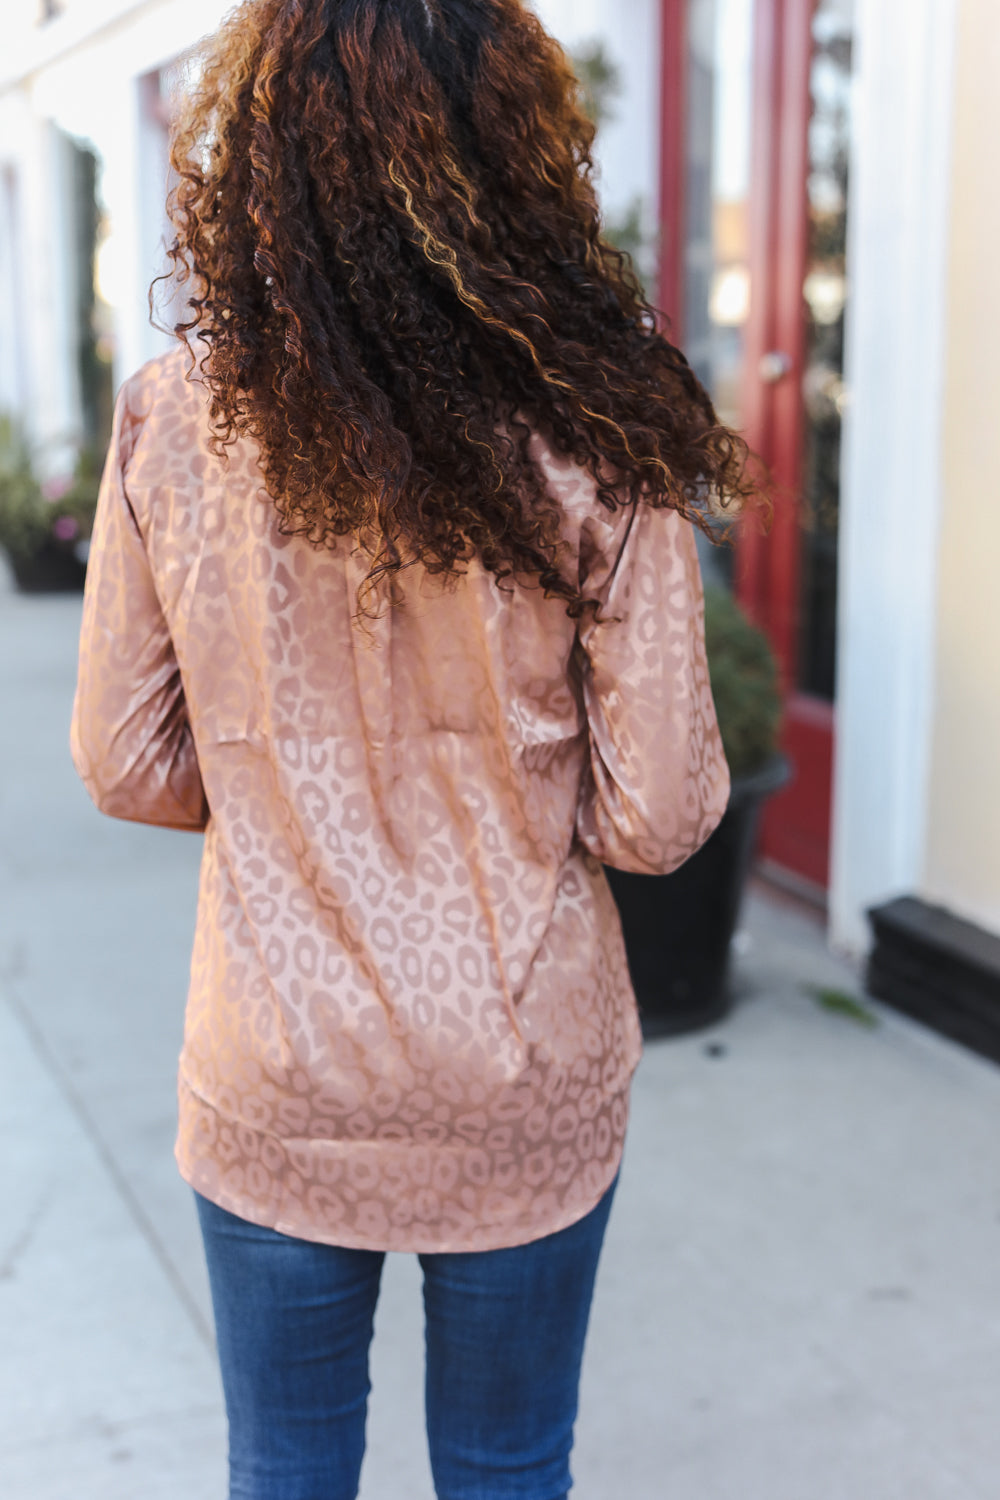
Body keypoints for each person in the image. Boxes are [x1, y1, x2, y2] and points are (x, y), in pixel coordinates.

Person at [71, 1, 755, 1496]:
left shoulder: (176, 421)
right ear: (514, 154)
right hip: (520, 1071)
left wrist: (285, 795)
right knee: (510, 1468)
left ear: (258, 158)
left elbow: (123, 759)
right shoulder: (596, 435)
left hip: (277, 1062)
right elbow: (658, 818)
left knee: (286, 1467)